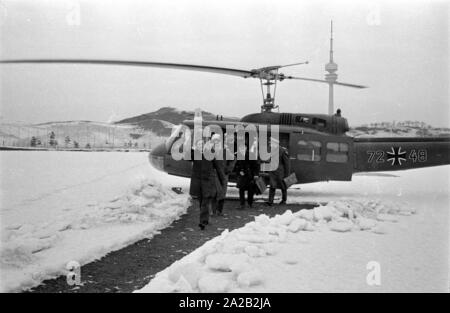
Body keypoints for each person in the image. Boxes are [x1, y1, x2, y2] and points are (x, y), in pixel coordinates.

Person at [189, 138, 225, 230]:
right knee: (201, 202)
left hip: (208, 182)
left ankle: (203, 221)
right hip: (198, 182)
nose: (200, 146)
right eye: (199, 145)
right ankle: (205, 218)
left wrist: (222, 180)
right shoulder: (194, 154)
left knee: (205, 201)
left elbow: (218, 167)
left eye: (202, 144)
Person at [234, 141, 260, 210]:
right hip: (241, 176)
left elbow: (256, 166)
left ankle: (250, 204)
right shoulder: (237, 155)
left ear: (246, 148)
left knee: (250, 191)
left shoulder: (251, 155)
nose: (242, 149)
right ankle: (242, 204)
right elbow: (235, 166)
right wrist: (239, 172)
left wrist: (256, 174)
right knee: (241, 190)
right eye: (241, 148)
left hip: (250, 176)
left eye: (243, 147)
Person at [215, 133, 237, 215]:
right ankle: (212, 211)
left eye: (217, 141)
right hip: (213, 175)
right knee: (213, 193)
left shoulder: (225, 151)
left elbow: (233, 159)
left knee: (222, 193)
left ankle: (219, 211)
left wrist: (229, 169)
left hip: (223, 175)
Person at [267, 137, 290, 206]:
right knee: (272, 186)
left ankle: (284, 200)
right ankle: (270, 201)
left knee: (283, 187)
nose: (270, 144)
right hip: (273, 172)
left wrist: (287, 175)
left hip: (280, 173)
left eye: (271, 143)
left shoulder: (283, 151)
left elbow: (287, 164)